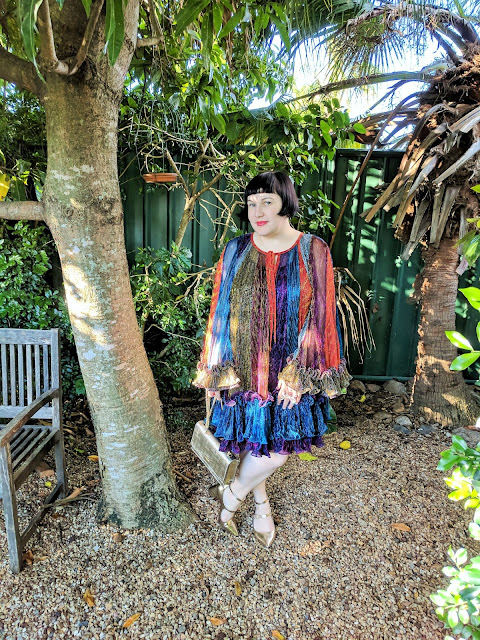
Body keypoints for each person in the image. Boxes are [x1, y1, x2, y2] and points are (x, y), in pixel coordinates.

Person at [194, 171, 350, 548]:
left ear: (286, 203)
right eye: (251, 204)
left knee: (276, 452)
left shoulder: (313, 249)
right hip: (243, 368)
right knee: (254, 441)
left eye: (267, 202)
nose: (258, 212)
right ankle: (261, 507)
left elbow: (322, 315)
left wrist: (300, 373)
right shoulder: (235, 249)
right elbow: (220, 311)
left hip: (289, 370)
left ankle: (232, 495)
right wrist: (215, 369)